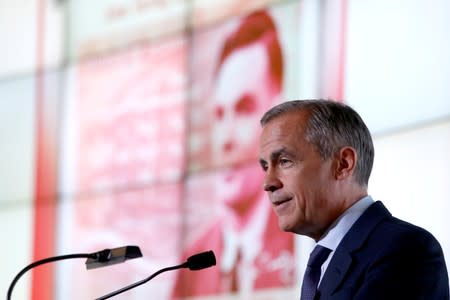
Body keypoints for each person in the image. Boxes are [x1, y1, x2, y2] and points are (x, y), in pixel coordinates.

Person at [258, 99, 449, 299]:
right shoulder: (325, 259)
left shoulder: (405, 250)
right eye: (265, 167)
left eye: (284, 161)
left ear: (343, 164)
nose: (268, 183)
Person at [172, 10, 295, 298]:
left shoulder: (306, 243)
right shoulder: (191, 261)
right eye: (218, 113)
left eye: (243, 109)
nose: (225, 139)